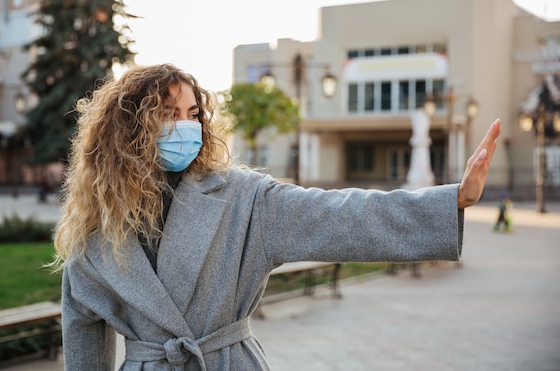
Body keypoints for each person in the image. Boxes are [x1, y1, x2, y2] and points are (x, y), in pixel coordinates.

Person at [50, 63, 501, 371]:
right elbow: (82, 333)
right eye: (168, 115)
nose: (186, 126)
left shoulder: (243, 198)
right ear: (129, 128)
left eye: (192, 114)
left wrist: (451, 200)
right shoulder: (96, 232)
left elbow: (338, 215)